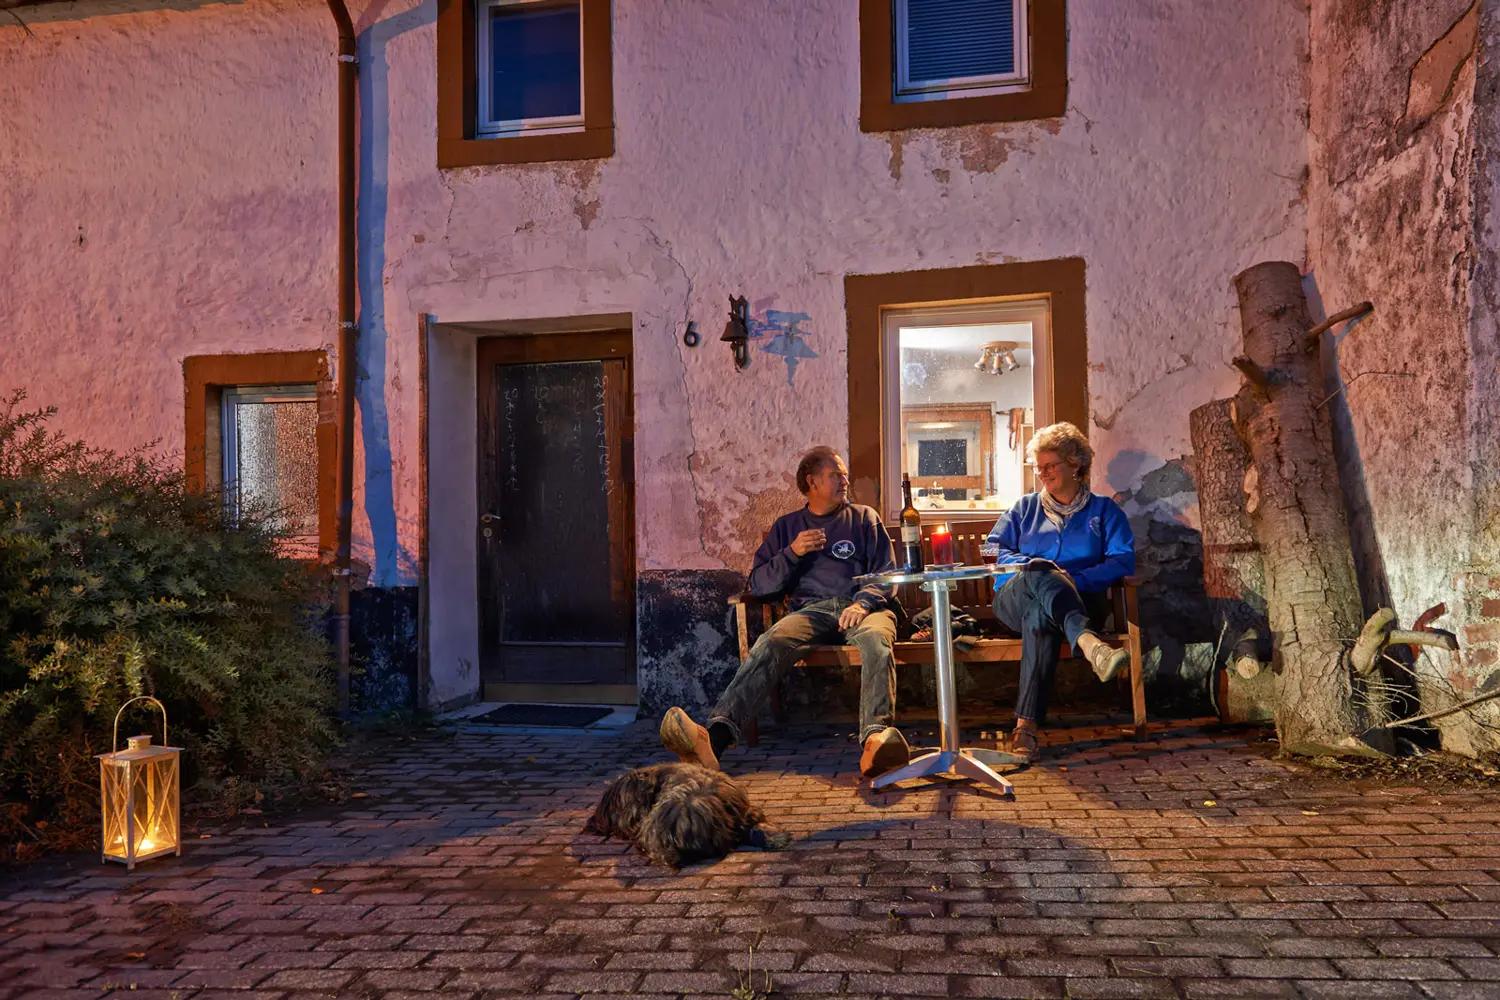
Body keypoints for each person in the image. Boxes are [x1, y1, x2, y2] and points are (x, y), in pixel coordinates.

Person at [658, 446, 912, 779]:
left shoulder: (865, 518)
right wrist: (792, 553)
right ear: (812, 482)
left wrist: (863, 603)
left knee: (878, 641)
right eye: (836, 474)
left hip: (864, 607)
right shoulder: (787, 527)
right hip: (812, 610)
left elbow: (886, 572)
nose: (845, 480)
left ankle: (876, 739)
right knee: (771, 641)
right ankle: (714, 740)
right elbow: (760, 584)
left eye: (845, 474)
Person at [987, 422, 1136, 763]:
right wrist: (1040, 568)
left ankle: (1025, 727)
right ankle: (1089, 642)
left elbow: (1122, 561)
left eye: (1050, 465)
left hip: (1078, 602)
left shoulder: (1104, 512)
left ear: (1075, 464)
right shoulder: (1023, 508)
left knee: (1041, 617)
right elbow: (994, 550)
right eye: (1039, 467)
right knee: (1041, 569)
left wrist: (1074, 581)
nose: (1043, 472)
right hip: (1015, 597)